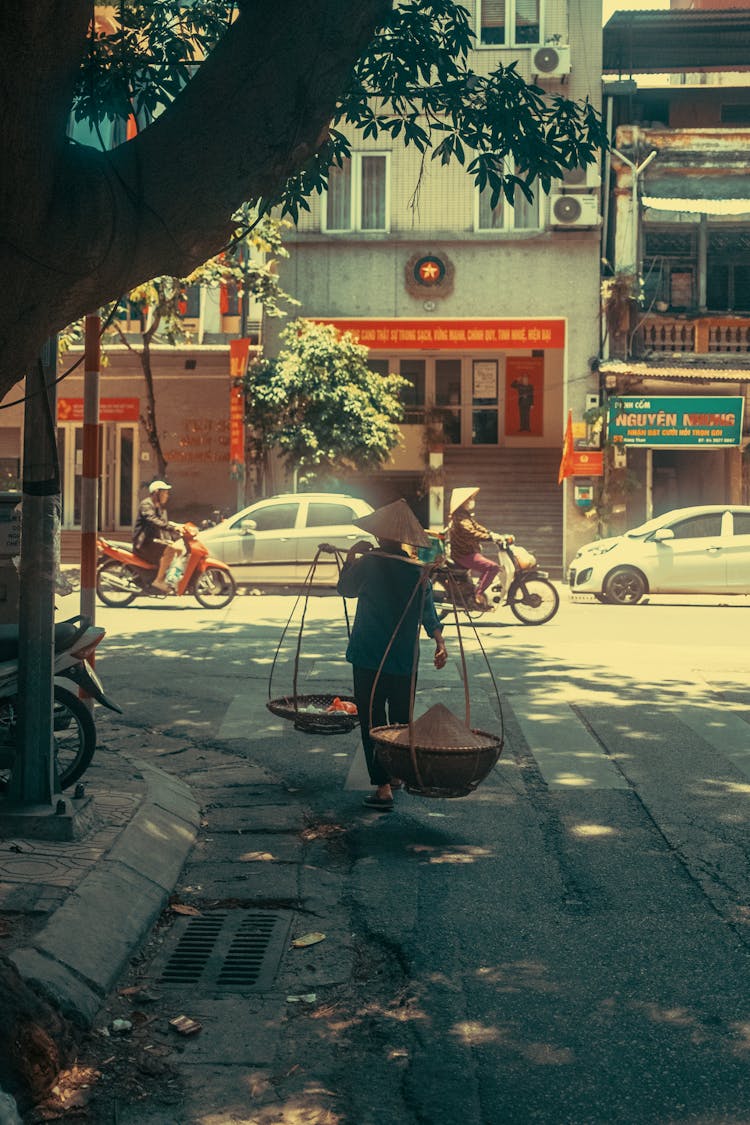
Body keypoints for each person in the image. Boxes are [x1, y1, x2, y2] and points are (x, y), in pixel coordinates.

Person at [337, 499, 448, 812]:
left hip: (369, 656)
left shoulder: (370, 563)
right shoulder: (416, 571)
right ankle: (397, 775)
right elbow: (428, 611)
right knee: (400, 721)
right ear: (403, 540)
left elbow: (345, 588)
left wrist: (351, 556)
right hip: (403, 659)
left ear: (378, 536)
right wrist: (440, 642)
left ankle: (383, 786)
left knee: (373, 721)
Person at [447, 487, 500, 609]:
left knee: (489, 566)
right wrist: (489, 538)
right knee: (492, 568)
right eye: (469, 499)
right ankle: (479, 594)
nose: (472, 501)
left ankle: (477, 591)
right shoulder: (460, 518)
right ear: (463, 502)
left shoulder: (464, 515)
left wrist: (491, 533)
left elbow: (477, 527)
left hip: (467, 552)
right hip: (464, 554)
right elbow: (471, 532)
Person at [133, 480, 183, 593]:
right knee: (171, 550)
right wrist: (171, 528)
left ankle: (170, 578)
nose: (167, 495)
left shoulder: (159, 507)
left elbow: (164, 523)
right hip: (144, 542)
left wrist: (179, 528)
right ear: (156, 493)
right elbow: (153, 520)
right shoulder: (147, 504)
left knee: (179, 549)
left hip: (153, 541)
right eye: (164, 492)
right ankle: (159, 581)